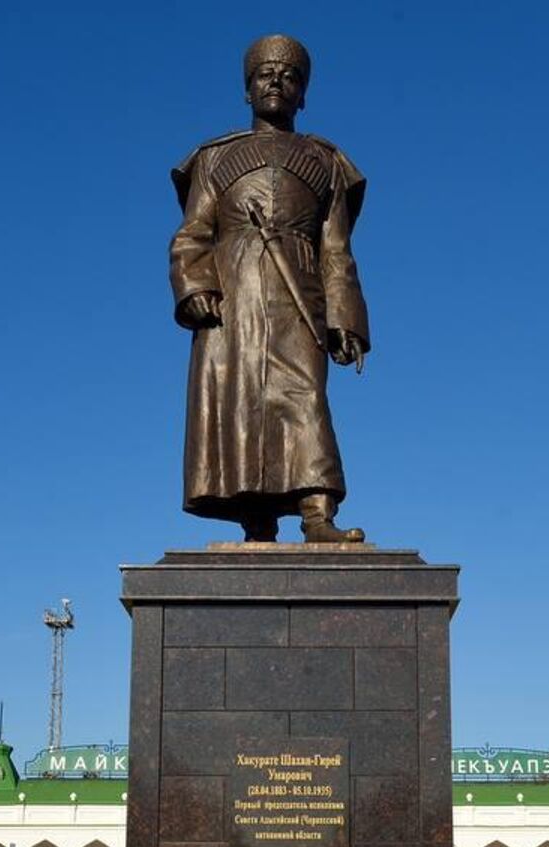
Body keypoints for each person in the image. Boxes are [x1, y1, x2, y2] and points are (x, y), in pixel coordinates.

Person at [169, 34, 372, 544]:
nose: (276, 82)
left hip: (298, 292)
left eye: (290, 76)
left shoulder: (326, 162)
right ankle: (255, 519)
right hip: (232, 295)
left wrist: (347, 318)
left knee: (304, 397)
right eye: (265, 75)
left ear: (303, 94)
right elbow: (192, 234)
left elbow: (337, 248)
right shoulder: (215, 159)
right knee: (240, 405)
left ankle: (317, 513)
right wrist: (194, 282)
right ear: (247, 89)